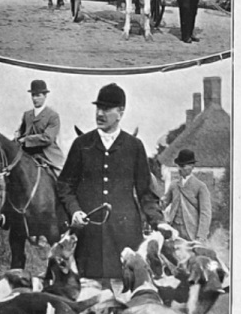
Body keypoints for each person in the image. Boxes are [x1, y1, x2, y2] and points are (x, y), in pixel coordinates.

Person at [56, 83, 163, 289]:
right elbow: (64, 185)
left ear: (121, 112)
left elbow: (146, 194)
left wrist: (159, 222)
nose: (100, 113)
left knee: (127, 295)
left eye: (106, 109)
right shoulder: (82, 145)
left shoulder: (134, 146)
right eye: (98, 108)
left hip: (125, 237)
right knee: (90, 294)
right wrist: (75, 211)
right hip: (89, 239)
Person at [14, 79, 64, 175]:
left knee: (61, 179)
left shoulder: (53, 115)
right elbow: (21, 132)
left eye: (38, 95)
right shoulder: (27, 114)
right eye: (33, 95)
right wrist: (17, 136)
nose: (35, 98)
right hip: (27, 153)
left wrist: (26, 139)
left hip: (48, 155)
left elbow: (48, 138)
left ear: (45, 96)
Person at [161, 149, 212, 241]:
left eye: (183, 166)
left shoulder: (200, 187)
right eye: (179, 166)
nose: (180, 169)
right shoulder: (174, 185)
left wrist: (201, 236)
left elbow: (205, 213)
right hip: (174, 230)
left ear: (192, 166)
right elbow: (163, 203)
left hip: (191, 232)